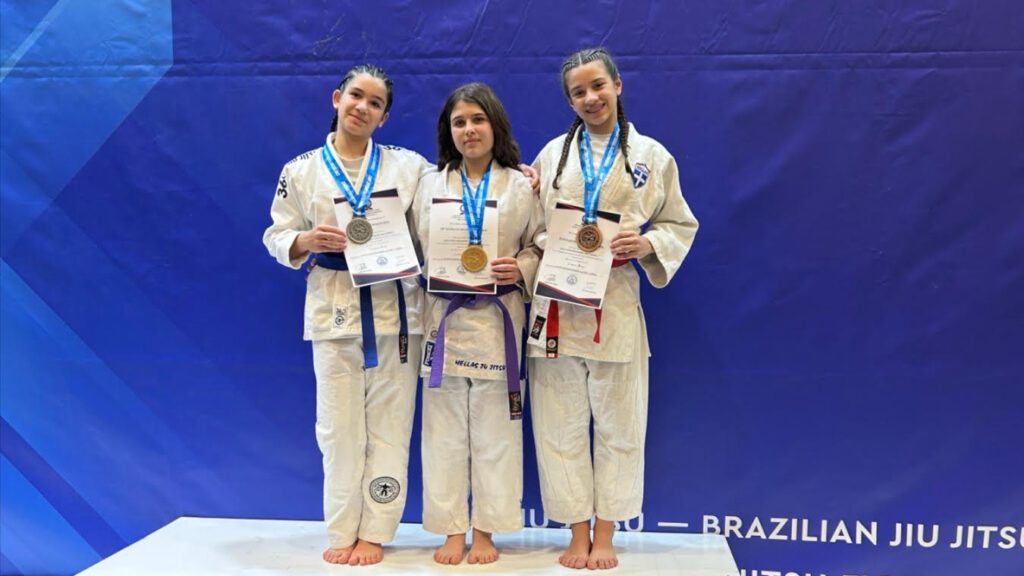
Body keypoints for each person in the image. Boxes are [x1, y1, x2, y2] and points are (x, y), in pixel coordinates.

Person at [526, 47, 699, 570]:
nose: (590, 98)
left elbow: (678, 224)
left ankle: (606, 533)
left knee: (620, 425)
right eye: (578, 92)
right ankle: (576, 531)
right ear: (569, 101)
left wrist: (646, 244)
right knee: (558, 425)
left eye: (598, 86)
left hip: (616, 304)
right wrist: (550, 239)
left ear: (618, 85)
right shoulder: (552, 155)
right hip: (557, 305)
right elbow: (531, 226)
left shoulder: (652, 156)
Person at [262, 64, 430, 566]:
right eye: (356, 95)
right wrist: (305, 239)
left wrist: (515, 175)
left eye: (376, 103)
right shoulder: (300, 170)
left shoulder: (408, 166)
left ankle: (376, 530)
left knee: (391, 428)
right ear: (337, 98)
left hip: (397, 313)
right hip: (332, 309)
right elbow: (276, 234)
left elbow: (454, 195)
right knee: (337, 429)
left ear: (384, 117)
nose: (363, 107)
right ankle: (341, 528)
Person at [410, 82, 540, 565]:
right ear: (448, 131)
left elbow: (541, 242)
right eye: (459, 122)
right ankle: (451, 529)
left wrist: (520, 267)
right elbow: (406, 245)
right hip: (442, 321)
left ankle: (485, 530)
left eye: (478, 119)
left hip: (497, 321)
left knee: (496, 434)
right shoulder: (428, 185)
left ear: (495, 125)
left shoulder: (522, 186)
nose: (469, 130)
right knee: (442, 434)